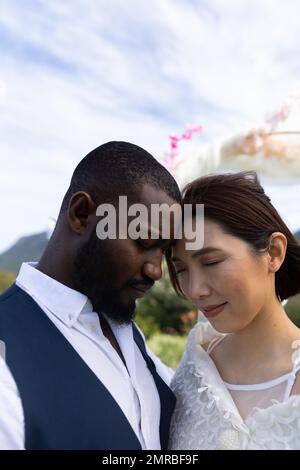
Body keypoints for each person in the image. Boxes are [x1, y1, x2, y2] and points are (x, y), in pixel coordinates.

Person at [0, 141, 181, 450]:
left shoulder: (128, 333)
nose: (156, 271)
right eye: (144, 240)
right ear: (82, 214)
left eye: (164, 251)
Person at [166, 171, 300, 450]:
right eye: (181, 270)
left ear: (274, 252)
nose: (194, 290)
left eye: (211, 262)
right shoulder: (191, 375)